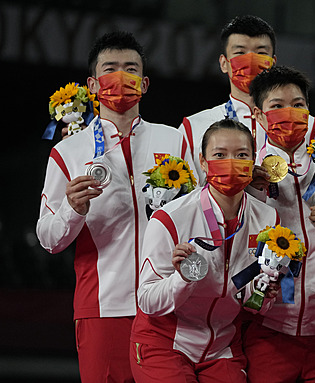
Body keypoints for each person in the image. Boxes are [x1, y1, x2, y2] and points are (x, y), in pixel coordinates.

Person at [36, 31, 188, 383]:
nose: (121, 78)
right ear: (92, 84)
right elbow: (48, 237)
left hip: (168, 301)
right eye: (110, 69)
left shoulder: (174, 140)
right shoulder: (69, 151)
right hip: (103, 308)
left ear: (145, 83)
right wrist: (72, 209)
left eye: (131, 69)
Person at [130, 119, 280, 382]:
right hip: (164, 343)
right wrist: (183, 279)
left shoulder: (268, 219)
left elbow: (253, 302)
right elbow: (147, 301)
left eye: (241, 155)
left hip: (221, 346)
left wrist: (264, 295)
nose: (231, 162)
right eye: (219, 155)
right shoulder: (170, 218)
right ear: (202, 161)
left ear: (253, 160)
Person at [242, 66, 315, 382]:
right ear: (257, 113)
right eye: (277, 105)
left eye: (298, 105)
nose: (290, 113)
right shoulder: (246, 169)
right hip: (270, 327)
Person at [178, 15, 315, 184]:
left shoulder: (307, 124)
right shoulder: (193, 127)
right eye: (240, 53)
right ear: (224, 63)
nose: (250, 60)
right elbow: (187, 195)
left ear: (273, 63)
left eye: (261, 53)